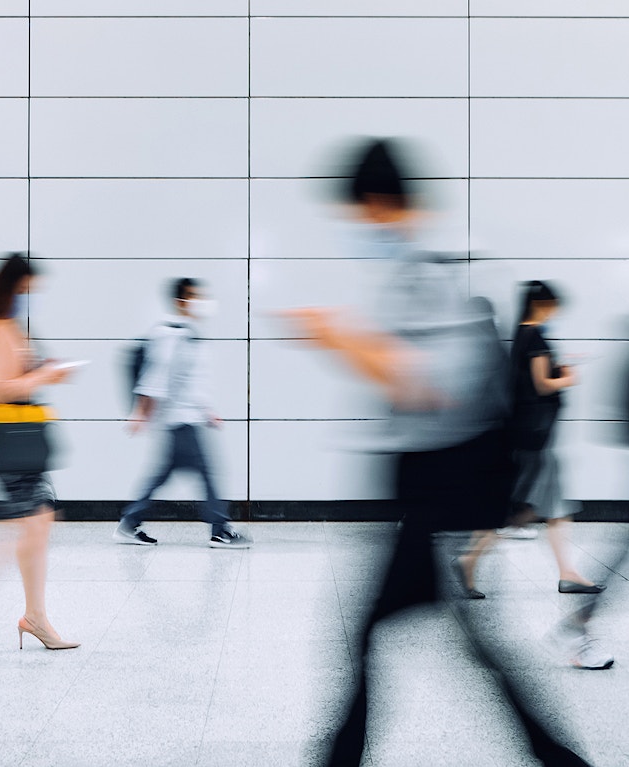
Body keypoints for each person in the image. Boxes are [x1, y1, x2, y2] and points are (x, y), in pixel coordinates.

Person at [290, 138, 596, 767]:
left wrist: (338, 339)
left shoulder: (429, 271)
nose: (355, 230)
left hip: (444, 494)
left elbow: (433, 384)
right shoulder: (430, 267)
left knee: (386, 635)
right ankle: (554, 755)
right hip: (436, 493)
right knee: (450, 640)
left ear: (376, 202)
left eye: (356, 215)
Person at [0, 253, 79, 650]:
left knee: (39, 522)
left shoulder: (9, 327)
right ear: (12, 287)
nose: (32, 297)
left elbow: (18, 380)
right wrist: (45, 375)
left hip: (18, 442)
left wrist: (46, 372)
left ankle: (34, 616)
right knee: (24, 531)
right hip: (6, 443)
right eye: (28, 290)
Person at [114, 277, 249, 548]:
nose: (201, 302)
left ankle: (130, 523)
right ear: (180, 301)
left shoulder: (188, 332)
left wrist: (206, 410)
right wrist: (141, 412)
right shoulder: (171, 333)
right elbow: (157, 376)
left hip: (186, 418)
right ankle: (219, 530)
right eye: (194, 297)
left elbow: (189, 380)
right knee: (208, 472)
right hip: (178, 420)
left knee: (164, 473)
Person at [508, 280, 605, 596]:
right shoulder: (535, 335)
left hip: (532, 433)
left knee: (544, 506)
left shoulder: (522, 334)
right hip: (540, 436)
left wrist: (558, 368)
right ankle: (473, 553)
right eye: (552, 306)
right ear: (542, 305)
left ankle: (568, 572)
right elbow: (541, 385)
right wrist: (568, 377)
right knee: (549, 508)